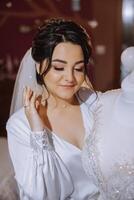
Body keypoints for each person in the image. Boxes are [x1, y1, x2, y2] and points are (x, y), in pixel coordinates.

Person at [6, 18, 100, 200]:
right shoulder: (20, 125)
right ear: (40, 66)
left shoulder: (94, 104)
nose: (70, 78)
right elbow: (37, 194)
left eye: (78, 68)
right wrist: (38, 131)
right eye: (59, 67)